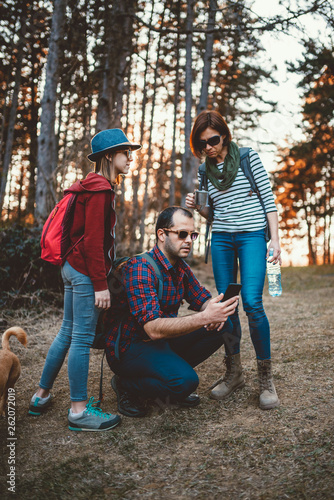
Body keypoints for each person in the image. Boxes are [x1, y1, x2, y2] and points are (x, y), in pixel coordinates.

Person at [29, 128, 141, 431]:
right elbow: (93, 242)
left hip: (70, 267)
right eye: (125, 153)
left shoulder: (88, 185)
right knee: (79, 338)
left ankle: (41, 396)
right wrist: (100, 284)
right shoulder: (100, 189)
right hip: (84, 272)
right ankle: (79, 411)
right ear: (109, 156)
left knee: (66, 333)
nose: (130, 158)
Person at [185, 110, 281, 410]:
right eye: (202, 144)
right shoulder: (204, 171)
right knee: (226, 306)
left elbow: (268, 200)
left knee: (252, 301)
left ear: (224, 135)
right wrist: (197, 208)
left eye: (213, 140)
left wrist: (275, 239)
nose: (209, 147)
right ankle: (234, 371)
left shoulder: (248, 158)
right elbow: (212, 214)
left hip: (252, 236)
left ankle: (266, 378)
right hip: (223, 239)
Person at [104, 206, 239, 417]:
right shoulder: (140, 268)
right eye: (182, 234)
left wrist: (216, 308)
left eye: (192, 235)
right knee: (185, 382)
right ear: (161, 234)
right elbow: (153, 329)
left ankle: (168, 371)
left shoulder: (180, 268)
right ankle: (126, 385)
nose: (189, 240)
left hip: (159, 342)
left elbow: (201, 299)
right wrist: (205, 316)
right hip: (130, 348)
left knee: (225, 325)